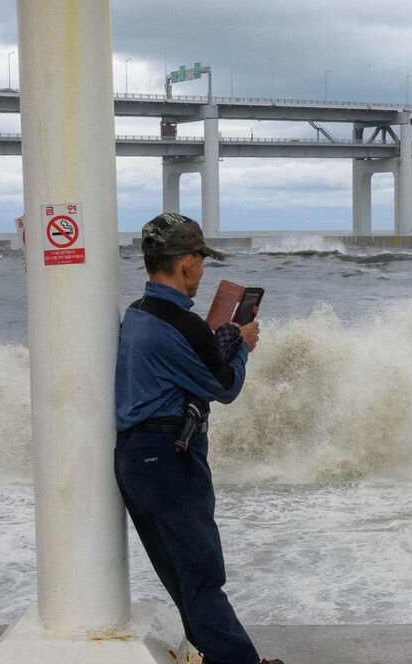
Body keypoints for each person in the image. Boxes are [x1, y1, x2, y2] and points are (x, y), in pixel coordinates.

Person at [115, 213, 279, 664]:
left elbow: (181, 366)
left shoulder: (137, 313)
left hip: (134, 460)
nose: (203, 270)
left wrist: (216, 342)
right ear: (187, 262)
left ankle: (216, 655)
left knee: (182, 576)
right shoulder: (183, 326)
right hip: (169, 459)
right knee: (202, 575)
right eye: (202, 261)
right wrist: (241, 346)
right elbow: (225, 387)